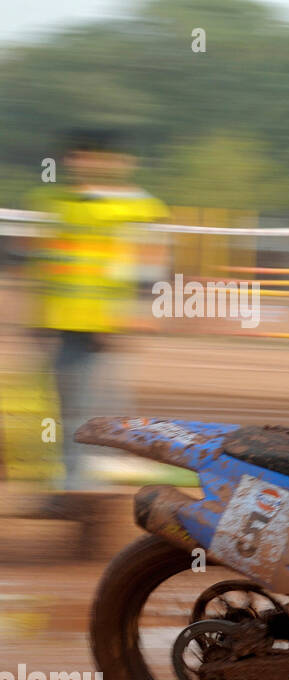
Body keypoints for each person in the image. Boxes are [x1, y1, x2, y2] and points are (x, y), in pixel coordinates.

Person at [25, 130, 168, 491]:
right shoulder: (52, 201)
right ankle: (73, 483)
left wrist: (134, 313)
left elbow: (150, 266)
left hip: (105, 324)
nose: (87, 163)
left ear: (122, 163)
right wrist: (35, 318)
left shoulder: (139, 207)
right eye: (79, 155)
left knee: (95, 407)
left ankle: (87, 488)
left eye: (98, 156)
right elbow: (39, 261)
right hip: (60, 321)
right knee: (65, 406)